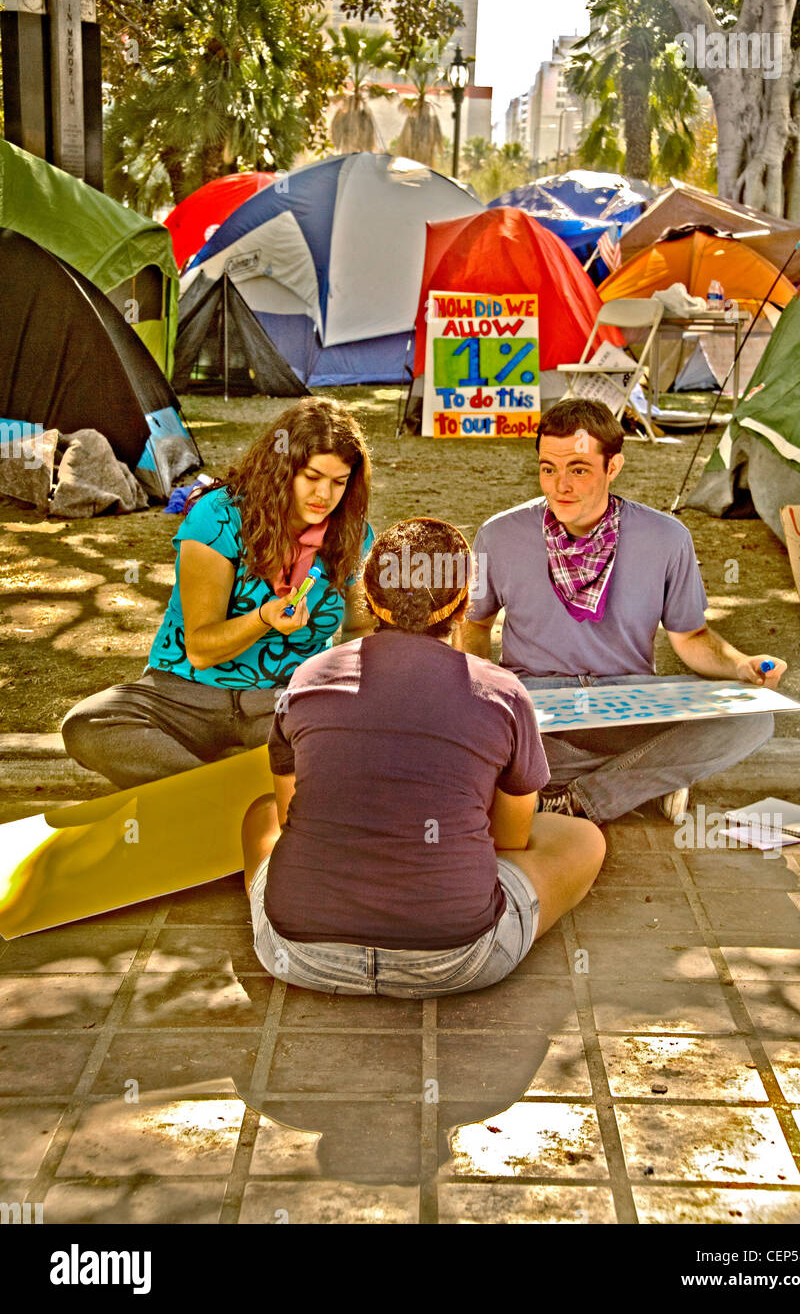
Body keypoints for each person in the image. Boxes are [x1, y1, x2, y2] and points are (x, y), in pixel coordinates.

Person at [242, 517, 605, 998]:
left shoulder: (308, 677)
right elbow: (512, 840)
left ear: (369, 600)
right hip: (457, 958)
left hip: (300, 955)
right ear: (463, 605)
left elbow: (289, 813)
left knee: (259, 816)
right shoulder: (502, 693)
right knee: (583, 838)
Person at [454, 398, 788, 824]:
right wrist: (479, 690)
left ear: (613, 467)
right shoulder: (498, 534)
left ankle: (575, 794)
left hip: (629, 701)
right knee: (471, 730)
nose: (560, 486)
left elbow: (691, 637)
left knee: (755, 719)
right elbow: (475, 622)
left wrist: (742, 667)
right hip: (537, 703)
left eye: (578, 469)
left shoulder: (667, 537)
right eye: (548, 469)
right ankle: (647, 778)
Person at [62, 398, 374, 788]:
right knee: (88, 724)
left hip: (282, 701)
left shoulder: (353, 533)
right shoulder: (218, 515)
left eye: (339, 481)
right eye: (312, 476)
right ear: (282, 469)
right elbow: (201, 649)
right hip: (188, 693)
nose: (324, 495)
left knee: (356, 739)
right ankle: (219, 792)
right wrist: (263, 619)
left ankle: (199, 792)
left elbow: (361, 633)